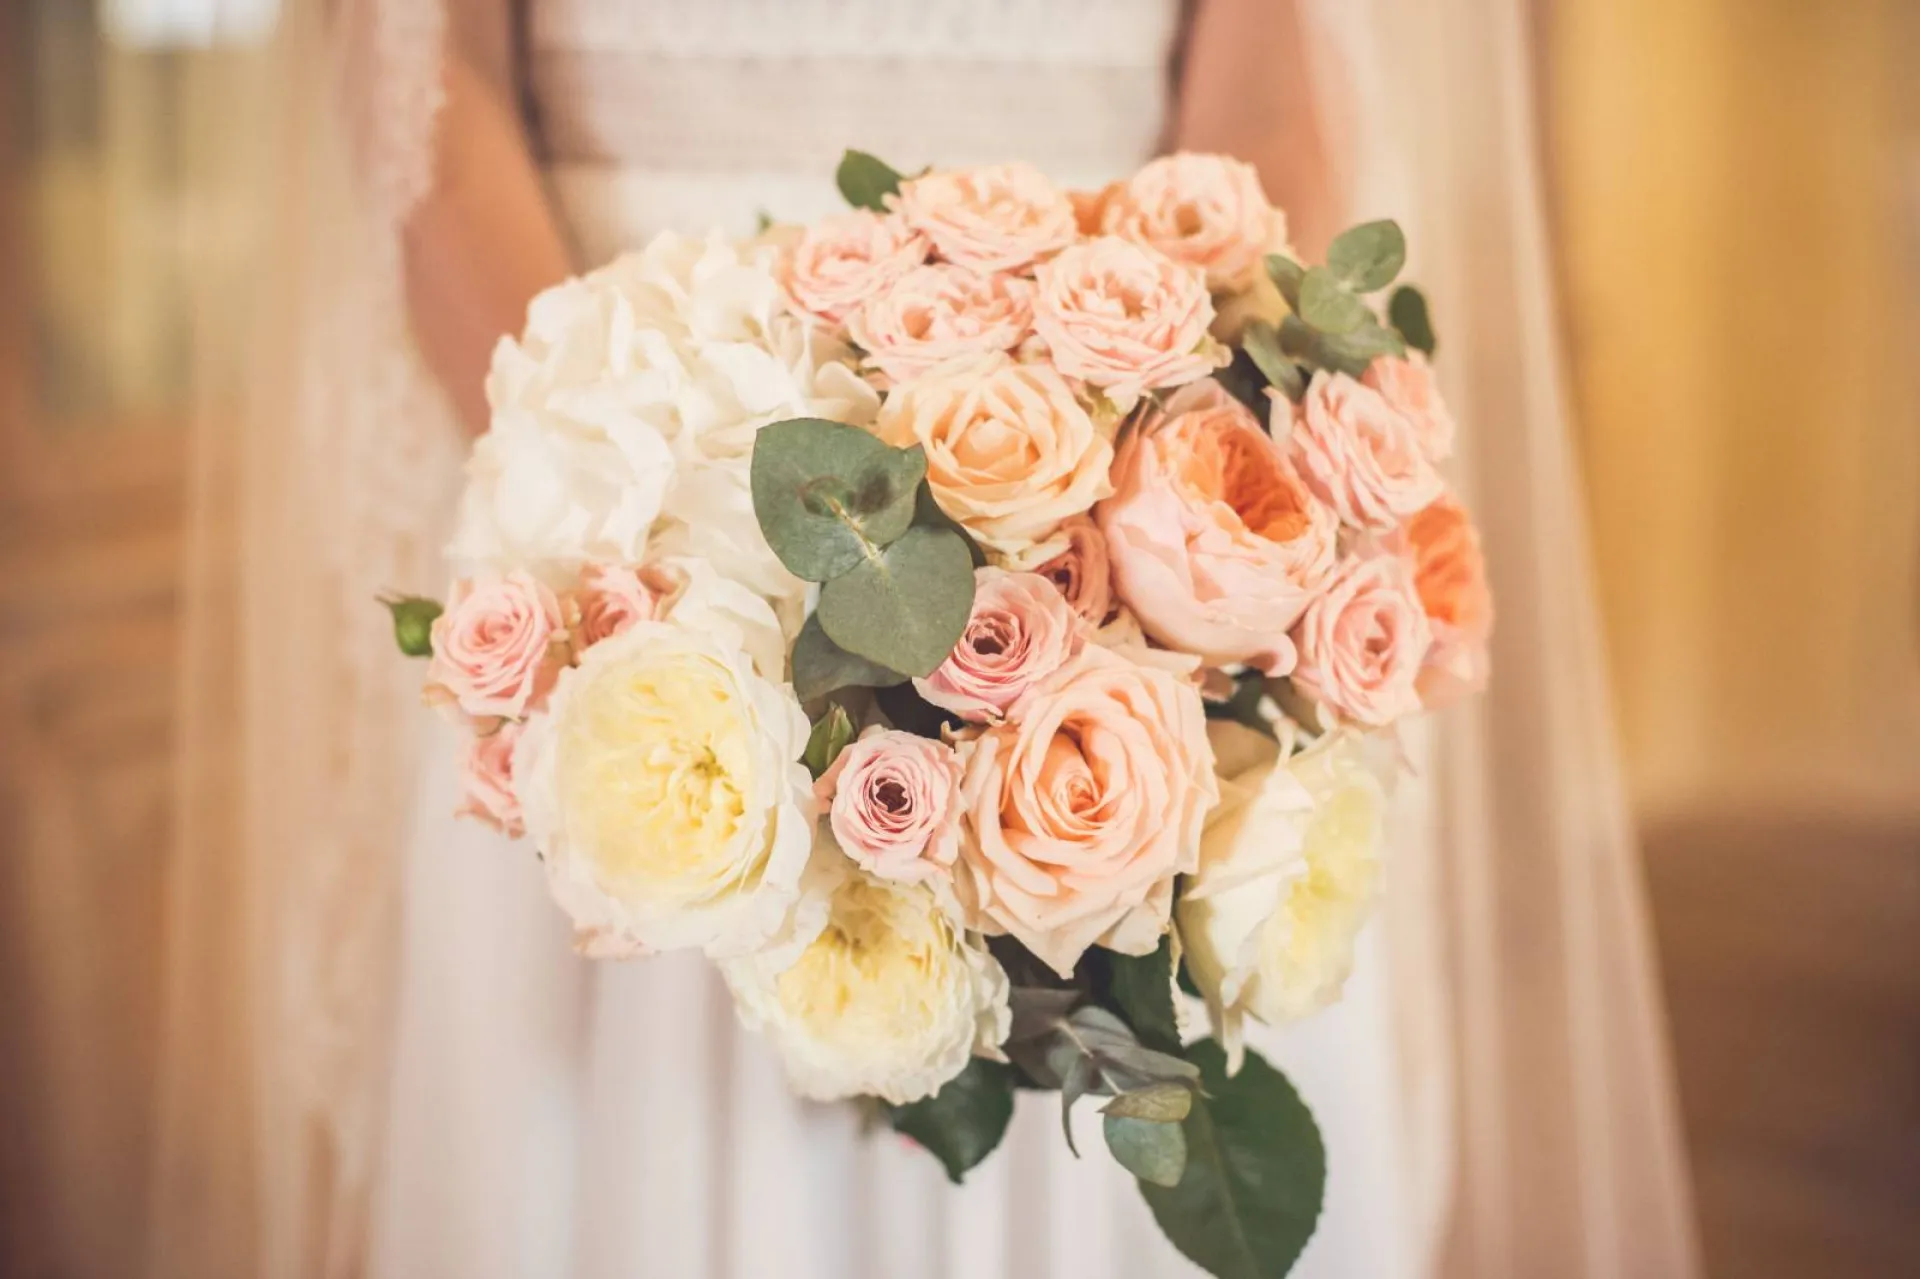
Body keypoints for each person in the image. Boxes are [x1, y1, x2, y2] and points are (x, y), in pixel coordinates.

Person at [153, 2, 1700, 1277]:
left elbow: (1268, 88)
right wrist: (672, 554)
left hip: (1111, 550)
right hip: (618, 556)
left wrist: (1145, 524)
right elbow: (428, 100)